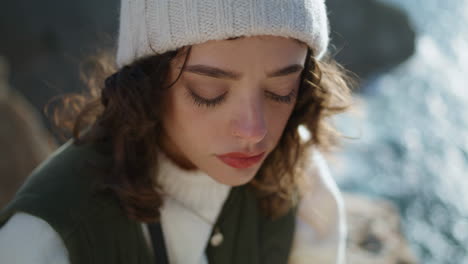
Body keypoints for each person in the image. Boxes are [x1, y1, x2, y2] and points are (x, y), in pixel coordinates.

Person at [0, 0, 354, 263]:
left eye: (281, 90)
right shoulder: (44, 241)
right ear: (145, 82)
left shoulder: (302, 178)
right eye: (209, 92)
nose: (253, 130)